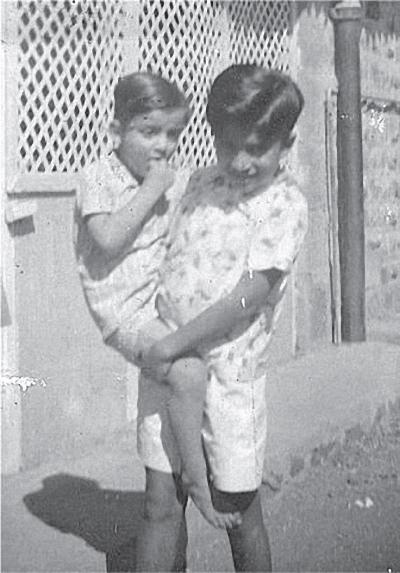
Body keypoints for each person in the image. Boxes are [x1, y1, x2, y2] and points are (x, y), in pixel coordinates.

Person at [134, 64, 308, 572]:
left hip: (230, 378)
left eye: (256, 148)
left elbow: (248, 296)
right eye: (228, 145)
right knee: (160, 501)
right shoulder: (200, 182)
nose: (240, 161)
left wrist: (174, 342)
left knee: (236, 508)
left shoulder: (285, 204)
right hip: (170, 370)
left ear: (286, 143)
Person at [74, 70, 241, 534]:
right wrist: (152, 189)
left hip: (162, 304)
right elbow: (107, 238)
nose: (163, 145)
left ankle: (223, 462)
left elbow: (205, 187)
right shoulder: (98, 177)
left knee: (221, 354)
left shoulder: (167, 176)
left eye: (172, 133)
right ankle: (197, 478)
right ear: (116, 131)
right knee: (187, 373)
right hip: (126, 314)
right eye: (149, 132)